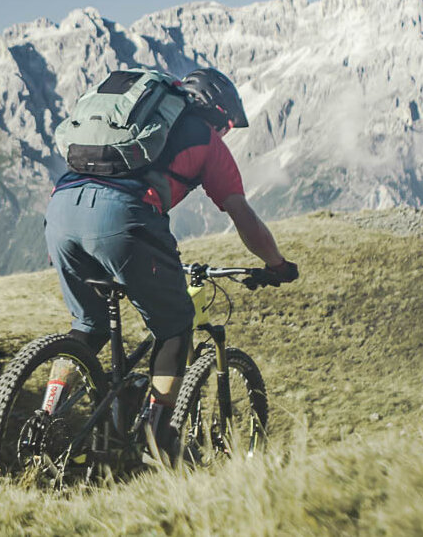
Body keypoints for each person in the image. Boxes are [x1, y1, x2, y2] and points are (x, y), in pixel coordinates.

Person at [44, 67, 298, 461]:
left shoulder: (130, 125)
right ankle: (155, 435)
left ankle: (46, 417)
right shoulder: (204, 137)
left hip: (60, 212)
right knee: (175, 326)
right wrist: (277, 263)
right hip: (123, 219)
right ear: (216, 112)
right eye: (227, 125)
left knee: (87, 326)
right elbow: (242, 215)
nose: (225, 133)